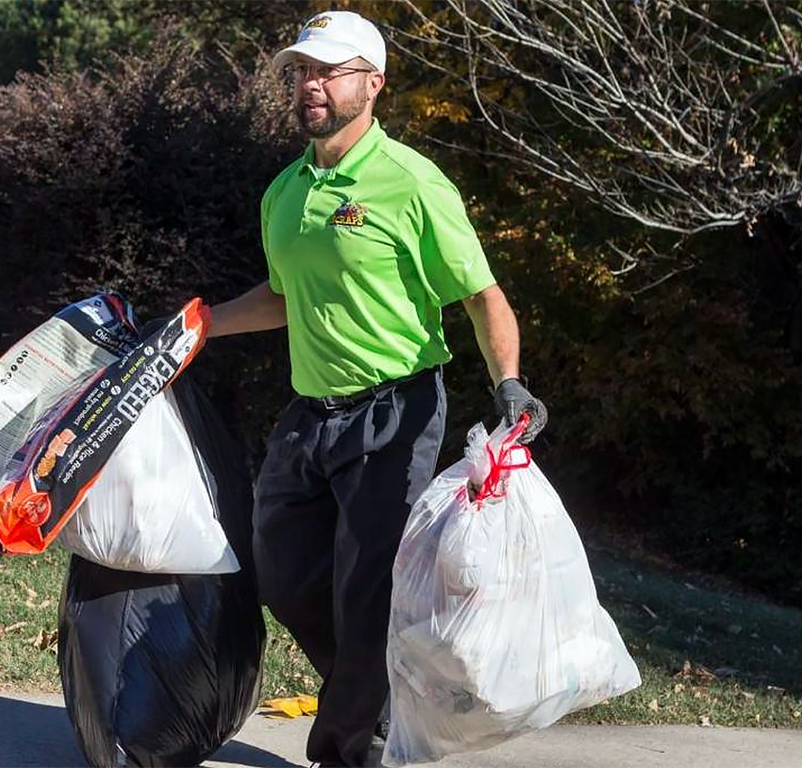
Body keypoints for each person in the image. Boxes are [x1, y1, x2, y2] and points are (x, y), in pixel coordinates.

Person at [206, 11, 547, 767]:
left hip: (397, 412)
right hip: (309, 413)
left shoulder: (413, 184)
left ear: (374, 82)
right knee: (280, 573)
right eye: (301, 71)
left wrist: (511, 384)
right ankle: (380, 690)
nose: (311, 84)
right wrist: (202, 325)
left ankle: (345, 749)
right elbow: (283, 296)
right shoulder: (285, 193)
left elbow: (482, 296)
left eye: (329, 70)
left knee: (364, 596)